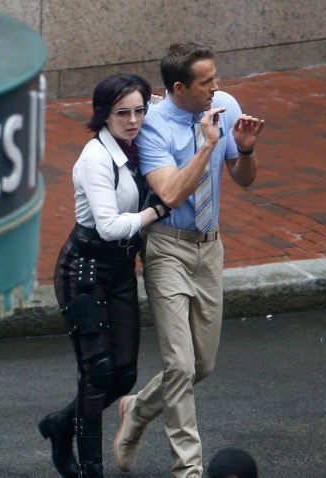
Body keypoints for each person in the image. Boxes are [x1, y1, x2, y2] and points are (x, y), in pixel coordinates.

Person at [112, 43, 266, 478]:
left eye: (215, 78)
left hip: (209, 247)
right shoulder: (153, 127)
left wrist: (246, 151)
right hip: (167, 248)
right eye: (206, 82)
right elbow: (173, 193)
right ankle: (189, 469)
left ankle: (137, 409)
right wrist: (207, 145)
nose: (216, 89)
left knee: (202, 365)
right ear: (179, 87)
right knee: (179, 364)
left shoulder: (226, 106)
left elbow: (244, 180)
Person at [38, 74, 171, 478]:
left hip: (119, 270)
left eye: (139, 110)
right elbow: (110, 226)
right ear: (104, 114)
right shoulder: (96, 158)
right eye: (122, 113)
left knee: (125, 373)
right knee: (97, 372)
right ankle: (90, 470)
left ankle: (63, 424)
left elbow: (177, 107)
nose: (133, 120)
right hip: (83, 269)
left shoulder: (138, 143)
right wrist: (156, 212)